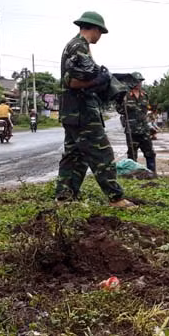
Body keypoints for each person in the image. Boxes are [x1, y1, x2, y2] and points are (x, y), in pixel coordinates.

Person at [55, 11, 132, 207]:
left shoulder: (76, 46)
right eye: (101, 32)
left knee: (74, 156)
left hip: (73, 112)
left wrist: (105, 82)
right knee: (102, 153)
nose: (100, 37)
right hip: (82, 113)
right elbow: (73, 81)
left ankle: (64, 198)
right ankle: (116, 198)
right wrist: (99, 80)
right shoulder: (78, 46)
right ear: (95, 29)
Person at [116, 72, 156, 173]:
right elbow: (120, 110)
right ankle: (132, 174)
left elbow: (146, 111)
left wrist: (151, 126)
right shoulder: (125, 95)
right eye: (137, 81)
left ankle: (152, 173)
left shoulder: (144, 95)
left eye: (140, 81)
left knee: (150, 152)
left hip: (144, 129)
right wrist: (120, 101)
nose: (139, 83)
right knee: (132, 154)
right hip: (131, 130)